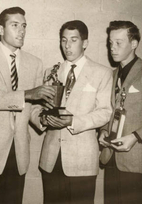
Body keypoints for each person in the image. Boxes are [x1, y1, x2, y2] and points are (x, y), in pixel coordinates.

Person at [0, 6, 56, 204]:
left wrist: (44, 119)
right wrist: (28, 94)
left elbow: (32, 106)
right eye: (15, 25)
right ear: (0, 29)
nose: (21, 30)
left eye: (24, 26)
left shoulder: (35, 63)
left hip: (18, 152)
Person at [39, 20, 113, 204]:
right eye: (63, 40)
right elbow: (38, 108)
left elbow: (105, 112)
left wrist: (73, 122)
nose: (67, 45)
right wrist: (43, 118)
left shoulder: (102, 73)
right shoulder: (52, 72)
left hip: (82, 162)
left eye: (73, 40)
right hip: (51, 158)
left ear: (85, 43)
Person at [99, 21, 142, 204]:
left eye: (118, 43)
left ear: (134, 44)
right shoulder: (112, 75)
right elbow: (108, 110)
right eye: (110, 43)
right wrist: (103, 130)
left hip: (137, 162)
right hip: (111, 159)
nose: (112, 48)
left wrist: (136, 136)